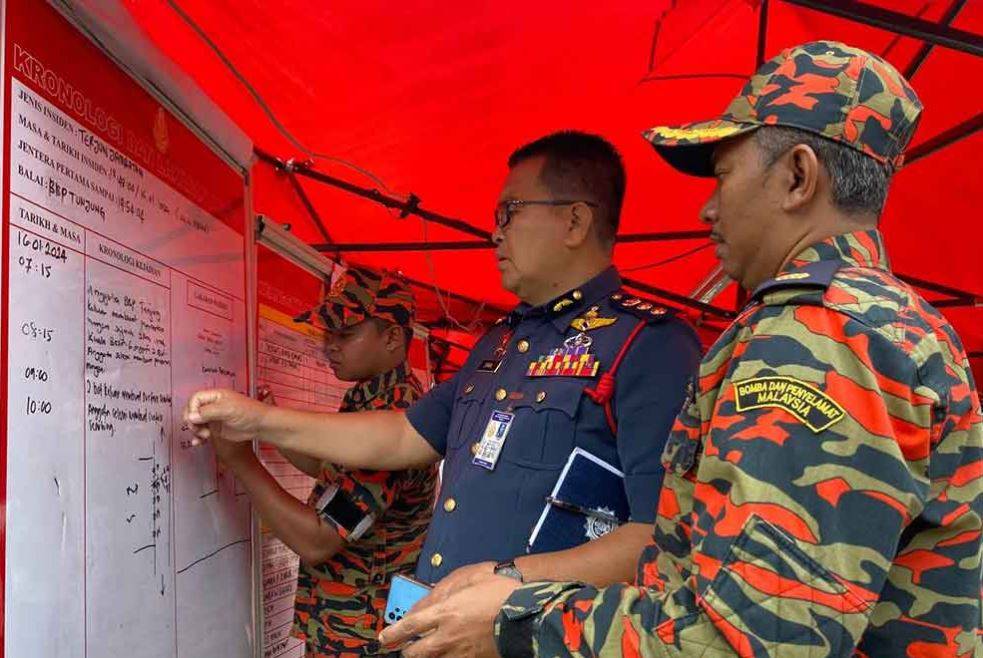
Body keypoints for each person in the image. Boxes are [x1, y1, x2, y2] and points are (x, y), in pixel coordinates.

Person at [380, 41, 983, 657]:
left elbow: (754, 639)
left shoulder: (817, 337)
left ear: (798, 177)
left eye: (723, 174)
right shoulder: (887, 322)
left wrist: (513, 621)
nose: (707, 207)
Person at [184, 131, 702, 638]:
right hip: (435, 632)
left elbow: (662, 536)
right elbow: (401, 437)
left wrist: (512, 584)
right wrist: (260, 419)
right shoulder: (501, 342)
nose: (494, 233)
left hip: (520, 639)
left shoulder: (650, 347)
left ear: (574, 221)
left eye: (510, 212)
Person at [209, 265, 436, 658]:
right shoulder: (372, 398)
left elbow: (316, 540)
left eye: (345, 334)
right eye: (327, 332)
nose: (329, 345)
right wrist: (269, 428)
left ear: (393, 337)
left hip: (362, 638)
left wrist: (240, 460)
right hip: (352, 628)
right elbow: (331, 472)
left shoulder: (394, 411)